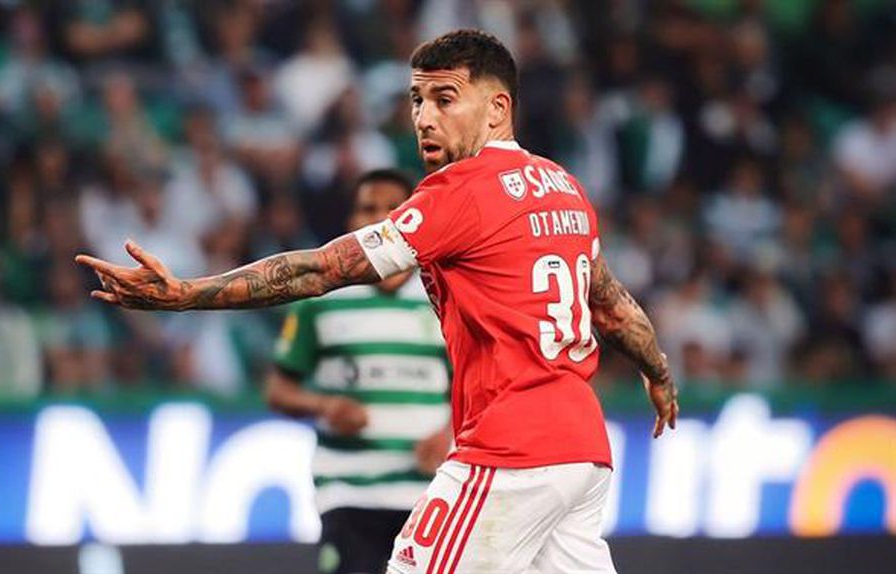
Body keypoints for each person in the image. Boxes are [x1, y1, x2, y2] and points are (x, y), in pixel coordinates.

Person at [78, 29, 678, 574]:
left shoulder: (459, 192)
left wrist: (186, 294)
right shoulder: (564, 189)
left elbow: (322, 269)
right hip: (581, 451)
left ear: (498, 109)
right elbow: (611, 305)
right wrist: (658, 372)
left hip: (511, 448)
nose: (424, 117)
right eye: (417, 100)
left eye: (445, 99)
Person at [265, 169, 452, 574]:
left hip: (429, 492)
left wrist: (449, 436)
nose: (380, 218)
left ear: (412, 219)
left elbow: (476, 389)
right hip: (347, 488)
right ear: (351, 220)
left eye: (393, 209)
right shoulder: (321, 299)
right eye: (368, 208)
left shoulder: (445, 296)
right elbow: (278, 391)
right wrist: (325, 405)